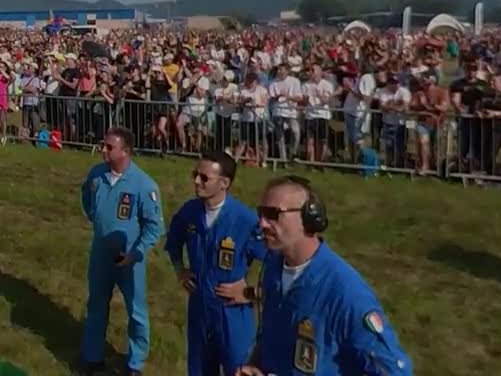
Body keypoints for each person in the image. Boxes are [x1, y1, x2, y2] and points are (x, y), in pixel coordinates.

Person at [236, 176, 412, 376]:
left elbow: (394, 371)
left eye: (272, 214)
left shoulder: (346, 292)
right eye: (261, 214)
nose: (262, 223)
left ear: (309, 218)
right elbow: (269, 335)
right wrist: (255, 366)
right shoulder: (273, 267)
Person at [165, 152, 266, 375]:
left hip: (231, 312)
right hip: (200, 308)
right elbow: (172, 243)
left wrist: (251, 293)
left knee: (238, 370)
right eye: (195, 175)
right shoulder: (189, 212)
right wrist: (180, 270)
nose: (196, 181)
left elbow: (277, 265)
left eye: (204, 177)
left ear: (224, 183)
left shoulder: (244, 220)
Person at [79, 126, 164, 375]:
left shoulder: (144, 185)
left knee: (136, 311)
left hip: (129, 258)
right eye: (103, 145)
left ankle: (135, 363)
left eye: (109, 147)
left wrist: (136, 254)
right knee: (96, 305)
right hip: (101, 253)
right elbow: (87, 197)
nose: (103, 150)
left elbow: (154, 227)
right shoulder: (96, 175)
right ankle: (92, 357)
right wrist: (96, 218)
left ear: (125, 152)